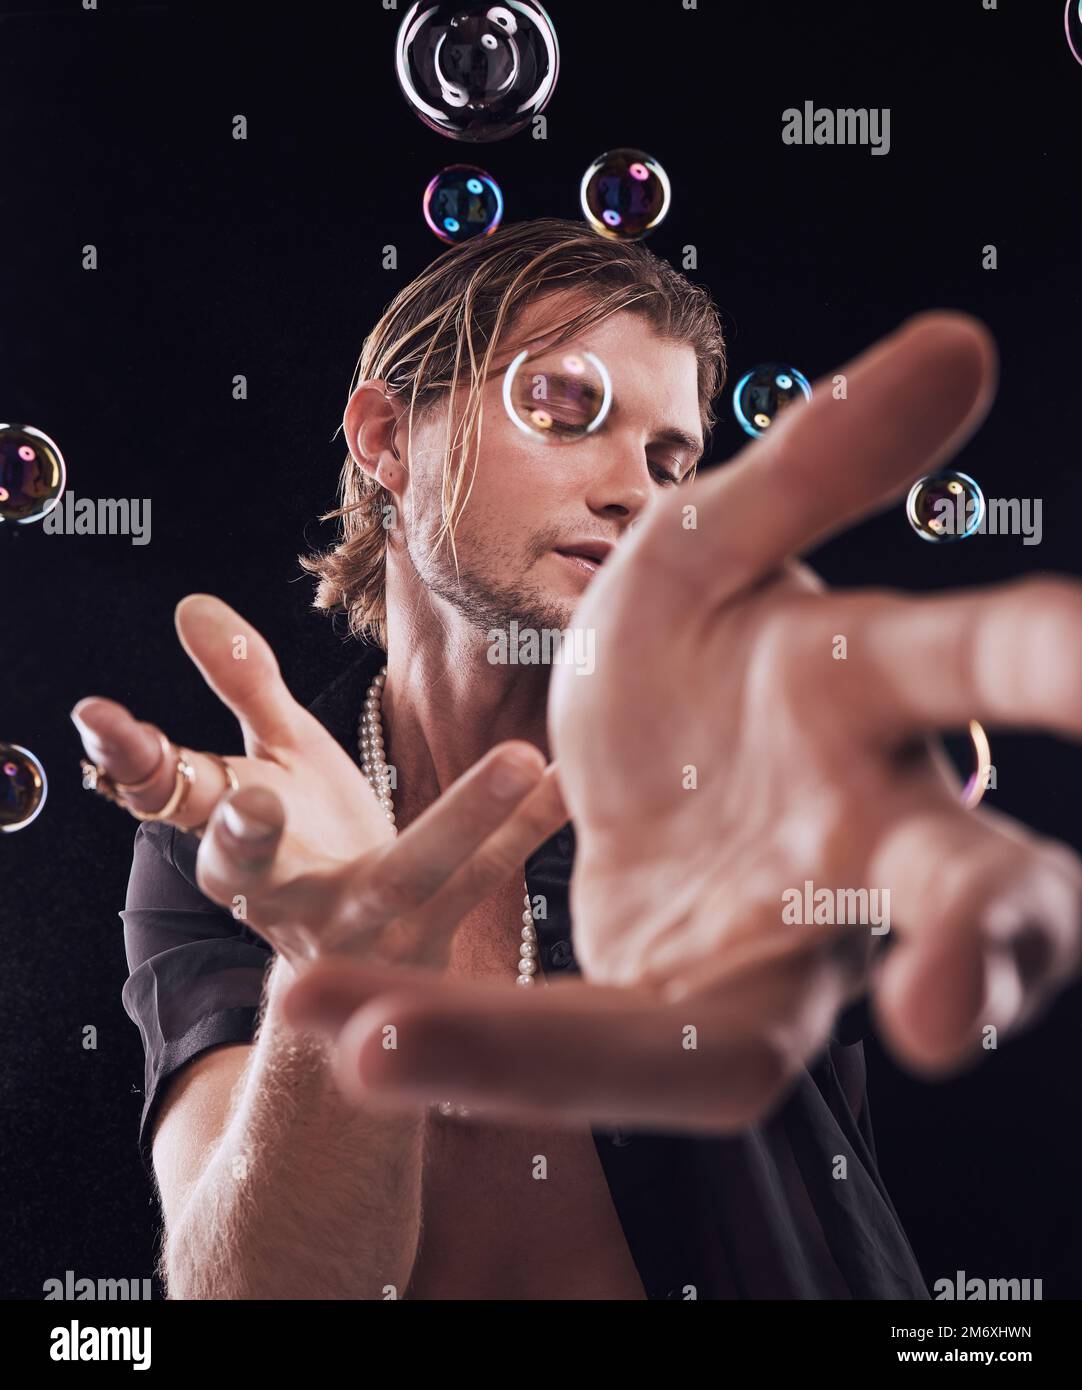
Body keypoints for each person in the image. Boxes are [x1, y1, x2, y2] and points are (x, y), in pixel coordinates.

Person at [73, 219, 1082, 1300]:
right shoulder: (222, 847)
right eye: (564, 409)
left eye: (669, 458)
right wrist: (337, 972)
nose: (633, 492)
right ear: (384, 439)